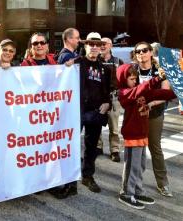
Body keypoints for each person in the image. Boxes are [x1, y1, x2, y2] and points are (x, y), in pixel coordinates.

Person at [116, 64, 176, 209]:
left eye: (135, 78)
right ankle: (126, 193)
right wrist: (157, 78)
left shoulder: (139, 90)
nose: (134, 80)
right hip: (132, 134)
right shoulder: (124, 92)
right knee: (132, 166)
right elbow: (139, 90)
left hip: (143, 134)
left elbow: (158, 94)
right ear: (123, 79)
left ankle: (137, 191)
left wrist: (176, 91)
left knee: (140, 166)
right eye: (131, 78)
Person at [132, 41, 173, 197]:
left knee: (155, 148)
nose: (141, 54)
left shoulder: (160, 70)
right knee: (136, 150)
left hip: (154, 114)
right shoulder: (133, 70)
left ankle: (163, 184)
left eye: (144, 50)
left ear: (150, 52)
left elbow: (165, 93)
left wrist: (151, 104)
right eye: (138, 52)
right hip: (136, 115)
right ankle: (134, 184)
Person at [48, 28, 80, 200]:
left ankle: (70, 183)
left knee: (67, 146)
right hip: (67, 107)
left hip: (68, 106)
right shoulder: (67, 57)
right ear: (68, 39)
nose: (79, 40)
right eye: (77, 37)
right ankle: (69, 183)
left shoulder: (69, 55)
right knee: (66, 146)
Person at [79, 32, 110, 193]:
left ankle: (87, 176)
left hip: (95, 112)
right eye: (90, 44)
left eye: (97, 45)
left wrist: (108, 103)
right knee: (67, 144)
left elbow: (108, 92)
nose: (94, 47)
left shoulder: (104, 68)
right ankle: (64, 177)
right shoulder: (77, 63)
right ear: (85, 46)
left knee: (91, 147)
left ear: (100, 48)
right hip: (76, 111)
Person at [97, 37, 124, 162]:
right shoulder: (95, 60)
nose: (102, 46)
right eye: (100, 44)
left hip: (113, 98)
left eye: (105, 44)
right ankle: (98, 147)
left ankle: (115, 150)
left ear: (111, 45)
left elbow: (124, 80)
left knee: (114, 128)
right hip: (97, 98)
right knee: (96, 124)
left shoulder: (119, 61)